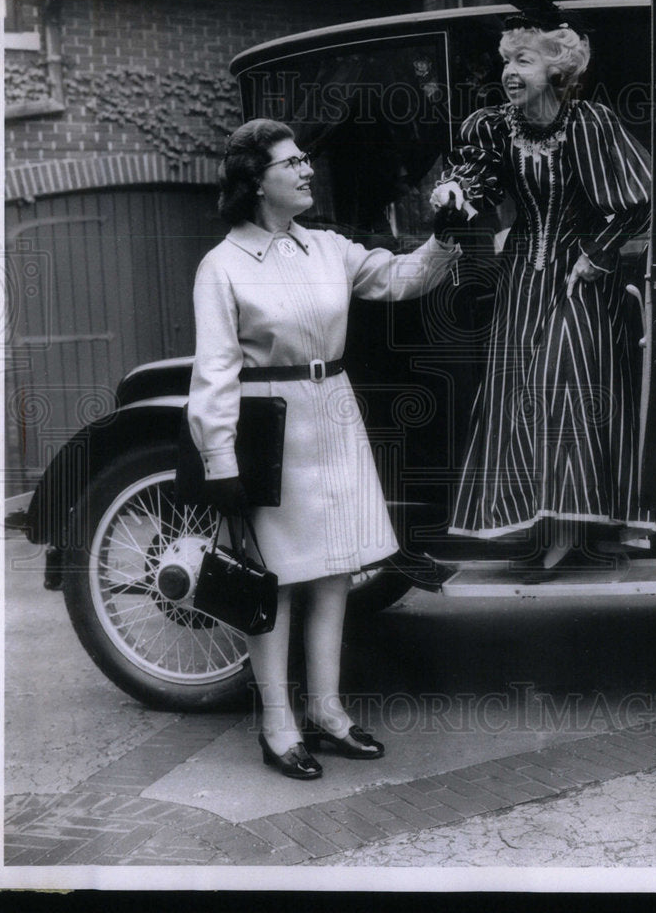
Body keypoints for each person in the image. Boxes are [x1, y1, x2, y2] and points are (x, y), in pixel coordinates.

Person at [188, 118, 459, 779]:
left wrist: (444, 238)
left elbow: (398, 279)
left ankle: (329, 713)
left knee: (334, 569)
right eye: (292, 163)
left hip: (333, 414)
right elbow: (214, 374)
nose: (308, 170)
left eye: (306, 160)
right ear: (255, 183)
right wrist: (219, 460)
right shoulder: (221, 267)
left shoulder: (326, 248)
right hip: (269, 428)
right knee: (273, 581)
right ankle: (277, 725)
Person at [430, 9, 652, 569]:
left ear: (557, 68)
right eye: (506, 60)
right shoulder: (496, 126)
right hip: (523, 278)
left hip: (578, 278)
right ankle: (537, 525)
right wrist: (457, 192)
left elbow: (639, 200)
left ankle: (570, 532)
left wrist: (598, 255)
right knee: (516, 393)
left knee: (563, 384)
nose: (509, 70)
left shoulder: (589, 122)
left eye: (522, 60)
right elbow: (478, 177)